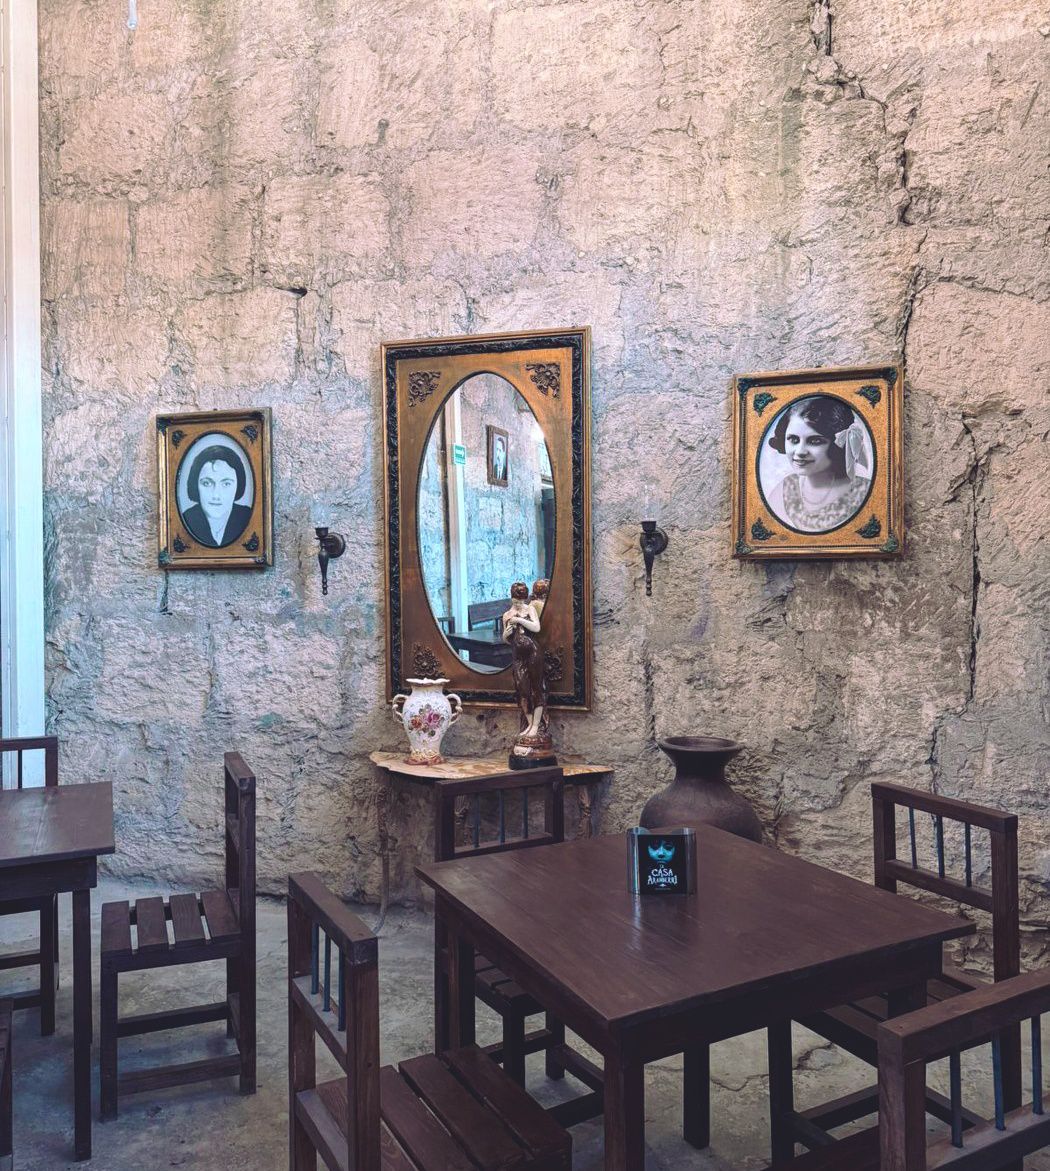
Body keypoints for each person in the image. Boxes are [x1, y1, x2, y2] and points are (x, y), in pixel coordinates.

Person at [764, 396, 871, 533]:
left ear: (838, 444)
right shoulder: (784, 490)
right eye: (793, 439)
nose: (800, 452)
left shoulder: (864, 492)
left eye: (815, 441)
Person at [179, 443, 252, 548]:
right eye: (207, 483)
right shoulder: (186, 520)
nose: (216, 494)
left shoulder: (248, 517)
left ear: (238, 485)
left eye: (226, 484)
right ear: (195, 485)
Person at [502, 582, 548, 742]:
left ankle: (536, 725)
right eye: (516, 601)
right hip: (518, 655)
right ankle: (529, 723)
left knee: (536, 687)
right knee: (522, 688)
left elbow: (536, 628)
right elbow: (507, 640)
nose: (518, 604)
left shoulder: (530, 609)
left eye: (521, 601)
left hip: (533, 652)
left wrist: (520, 620)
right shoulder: (507, 615)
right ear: (511, 598)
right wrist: (505, 634)